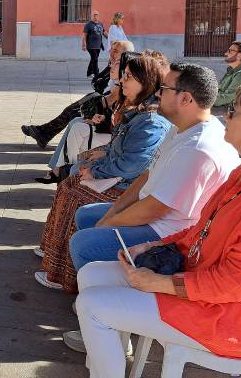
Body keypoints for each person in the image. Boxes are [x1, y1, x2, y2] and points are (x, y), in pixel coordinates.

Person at [76, 80, 241, 378]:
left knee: (92, 305)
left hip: (229, 317)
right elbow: (200, 230)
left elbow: (239, 281)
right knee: (90, 274)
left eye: (233, 111)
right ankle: (107, 363)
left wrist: (161, 283)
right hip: (196, 282)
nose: (225, 116)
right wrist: (151, 247)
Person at [62, 62, 241, 352]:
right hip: (156, 218)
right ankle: (98, 298)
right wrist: (112, 212)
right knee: (87, 215)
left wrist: (110, 223)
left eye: (165, 88)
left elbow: (155, 208)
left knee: (85, 244)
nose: (158, 93)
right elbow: (147, 176)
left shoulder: (198, 148)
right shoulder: (181, 129)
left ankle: (115, 329)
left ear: (186, 98)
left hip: (171, 237)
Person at [35, 55, 172, 292]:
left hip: (126, 184)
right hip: (121, 175)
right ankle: (52, 253)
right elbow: (119, 145)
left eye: (129, 76)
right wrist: (100, 154)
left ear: (146, 81)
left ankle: (62, 274)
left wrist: (95, 172)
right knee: (72, 177)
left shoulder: (151, 121)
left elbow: (133, 165)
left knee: (74, 192)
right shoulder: (136, 109)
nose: (122, 80)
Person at [23, 40, 135, 149]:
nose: (111, 52)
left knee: (73, 114)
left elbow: (113, 98)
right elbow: (98, 81)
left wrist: (93, 105)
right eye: (112, 49)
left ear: (125, 55)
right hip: (100, 98)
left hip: (107, 110)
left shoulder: (125, 71)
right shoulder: (114, 64)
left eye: (115, 51)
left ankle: (44, 134)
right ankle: (43, 133)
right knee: (70, 111)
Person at [211, 40, 241, 113]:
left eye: (230, 51)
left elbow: (227, 98)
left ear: (239, 56)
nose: (226, 53)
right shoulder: (233, 70)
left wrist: (204, 99)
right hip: (221, 105)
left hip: (230, 111)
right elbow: (220, 90)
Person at [82, 10, 106, 78]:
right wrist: (83, 45)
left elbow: (104, 33)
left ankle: (89, 73)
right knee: (95, 59)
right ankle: (97, 74)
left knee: (93, 59)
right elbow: (84, 36)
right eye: (94, 15)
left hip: (98, 46)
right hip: (91, 46)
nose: (96, 16)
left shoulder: (100, 24)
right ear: (91, 16)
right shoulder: (88, 25)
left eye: (97, 15)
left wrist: (111, 38)